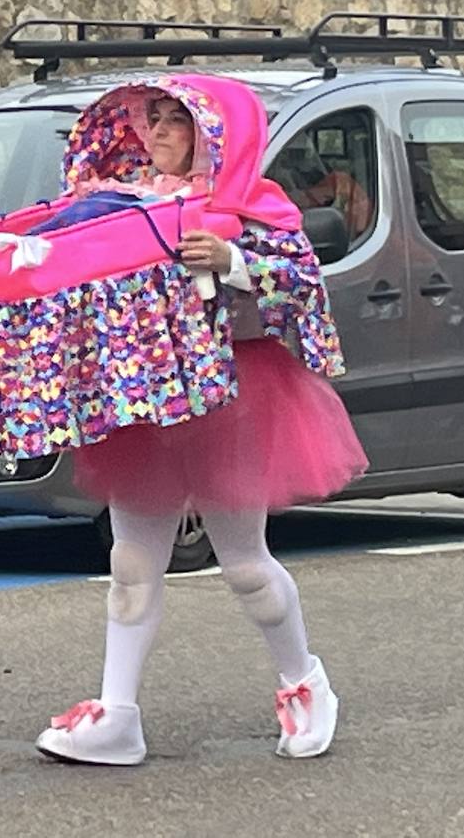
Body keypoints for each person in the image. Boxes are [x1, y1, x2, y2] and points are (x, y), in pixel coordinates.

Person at [30, 80, 368, 765]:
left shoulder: (257, 208)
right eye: (150, 118)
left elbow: (301, 284)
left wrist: (233, 261)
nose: (154, 131)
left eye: (173, 120)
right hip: (146, 403)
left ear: (212, 134)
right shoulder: (118, 205)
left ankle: (304, 680)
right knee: (130, 562)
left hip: (236, 398)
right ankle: (117, 712)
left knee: (243, 563)